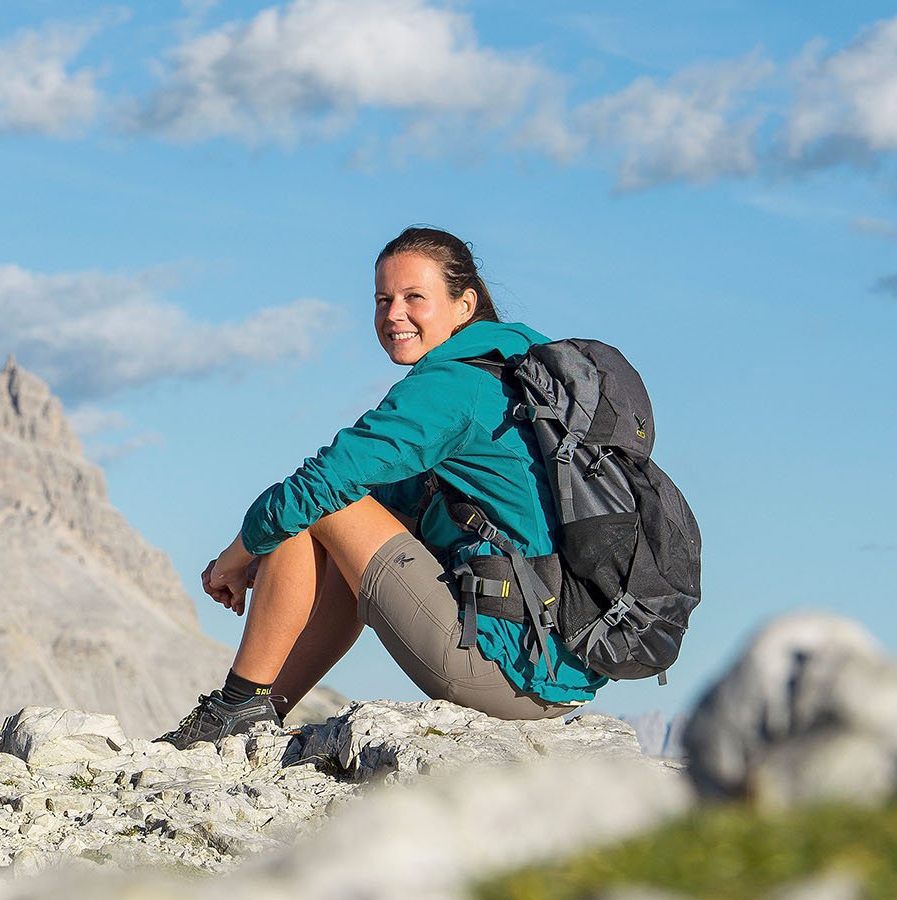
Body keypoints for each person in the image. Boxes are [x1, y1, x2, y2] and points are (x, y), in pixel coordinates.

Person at [156, 226, 607, 747]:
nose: (394, 314)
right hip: (553, 666)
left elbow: (323, 485)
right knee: (317, 514)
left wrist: (235, 556)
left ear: (465, 305)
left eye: (415, 297)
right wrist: (269, 560)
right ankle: (255, 715)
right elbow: (385, 510)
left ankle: (236, 707)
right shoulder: (513, 373)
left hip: (508, 669)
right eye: (383, 299)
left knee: (320, 500)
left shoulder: (452, 386)